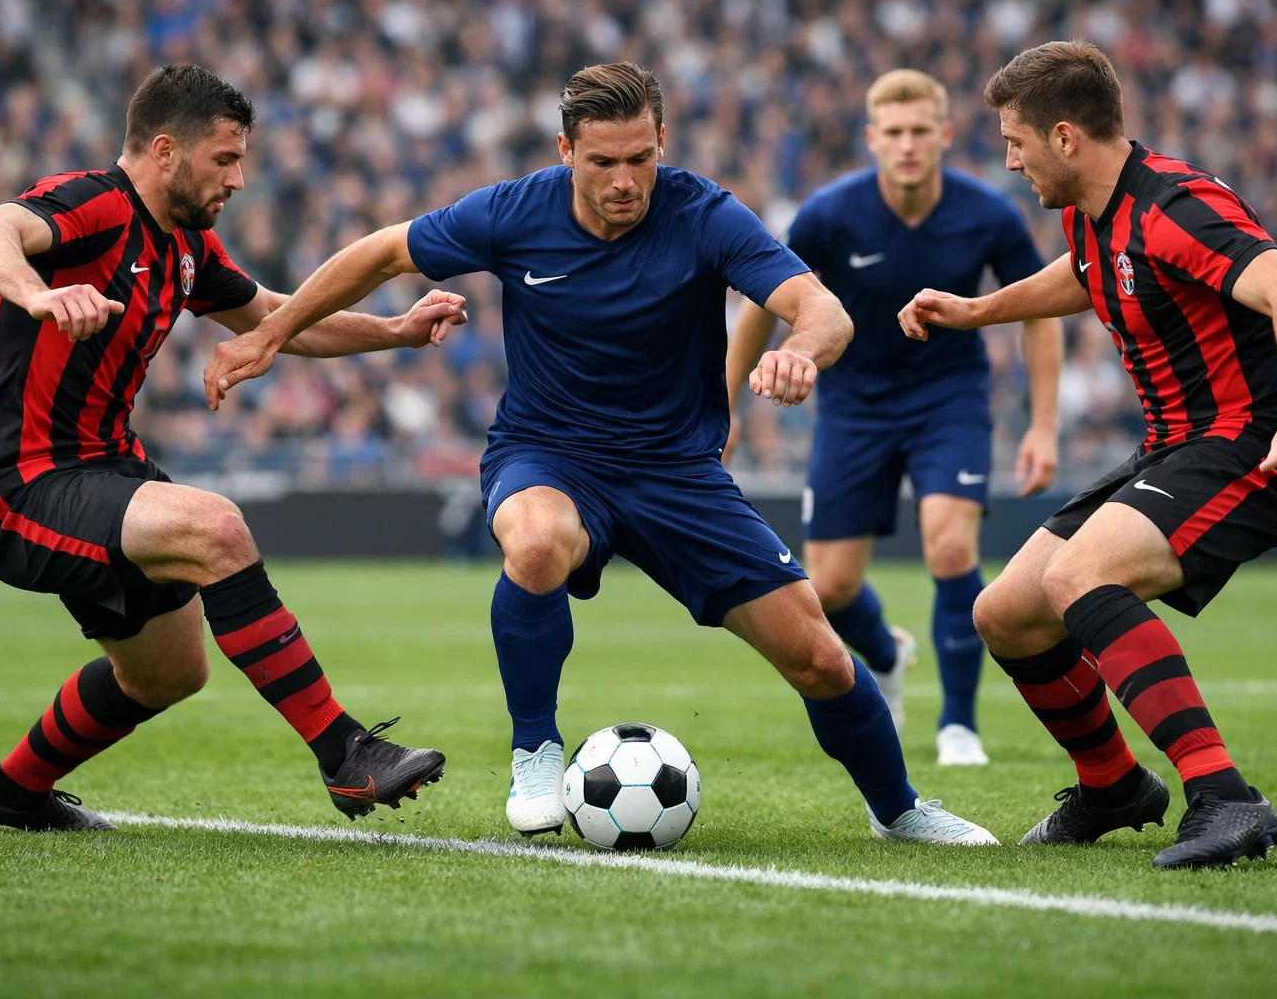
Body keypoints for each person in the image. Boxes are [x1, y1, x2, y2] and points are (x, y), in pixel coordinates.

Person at [205, 62, 997, 846]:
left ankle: (899, 810)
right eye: (603, 162)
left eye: (640, 159)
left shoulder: (705, 214)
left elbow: (822, 309)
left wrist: (801, 352)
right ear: (565, 151)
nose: (624, 181)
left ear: (663, 141)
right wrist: (272, 333)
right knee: (536, 542)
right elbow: (381, 254)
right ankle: (535, 751)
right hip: (548, 456)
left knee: (820, 658)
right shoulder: (514, 211)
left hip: (677, 473)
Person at [0, 64, 462, 831]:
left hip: (103, 470)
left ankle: (9, 792)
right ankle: (346, 755)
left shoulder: (187, 245)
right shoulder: (94, 204)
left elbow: (278, 318)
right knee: (214, 527)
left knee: (169, 673)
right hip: (15, 485)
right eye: (225, 160)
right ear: (165, 150)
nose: (239, 179)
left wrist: (395, 330)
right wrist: (37, 293)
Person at [900, 41, 1277, 869]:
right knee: (1005, 614)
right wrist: (977, 311)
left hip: (1254, 443)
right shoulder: (1093, 211)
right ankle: (1113, 788)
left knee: (1080, 576)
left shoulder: (1177, 205)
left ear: (1065, 137)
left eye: (1016, 142)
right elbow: (1087, 272)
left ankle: (1226, 798)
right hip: (1174, 447)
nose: (1011, 160)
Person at [725, 70, 1060, 766]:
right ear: (872, 138)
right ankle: (886, 653)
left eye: (920, 132)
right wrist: (721, 405)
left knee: (950, 546)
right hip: (854, 404)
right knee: (830, 586)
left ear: (944, 136)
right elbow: (762, 300)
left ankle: (958, 726)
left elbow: (1041, 309)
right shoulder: (827, 215)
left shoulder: (988, 214)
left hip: (950, 400)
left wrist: (1044, 424)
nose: (908, 145)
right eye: (895, 133)